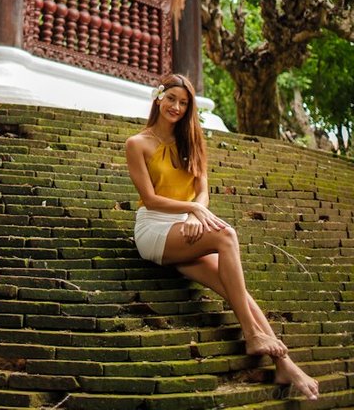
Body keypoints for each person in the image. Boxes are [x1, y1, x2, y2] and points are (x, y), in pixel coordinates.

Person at [126, 73, 319, 401]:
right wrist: (191, 209)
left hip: (189, 227)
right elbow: (151, 198)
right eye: (171, 98)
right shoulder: (137, 143)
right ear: (158, 98)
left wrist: (192, 213)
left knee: (236, 289)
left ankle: (286, 364)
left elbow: (203, 194)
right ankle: (252, 335)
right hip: (154, 228)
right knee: (226, 235)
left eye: (184, 103)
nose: (176, 106)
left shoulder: (192, 142)